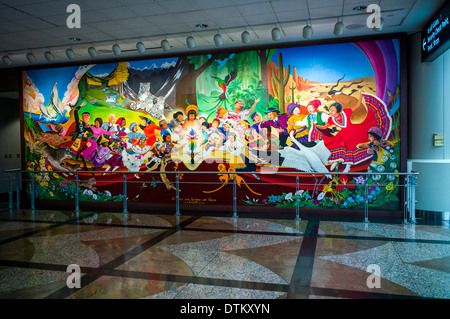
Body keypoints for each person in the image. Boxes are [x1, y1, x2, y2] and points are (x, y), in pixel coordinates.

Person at [315, 92, 388, 172]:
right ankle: (336, 161)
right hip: (342, 135)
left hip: (353, 132)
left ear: (337, 111)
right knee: (336, 146)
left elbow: (358, 105)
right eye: (330, 109)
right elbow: (325, 127)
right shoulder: (331, 119)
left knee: (351, 148)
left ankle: (348, 165)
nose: (331, 111)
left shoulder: (345, 113)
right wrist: (315, 126)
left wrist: (361, 95)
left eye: (333, 109)